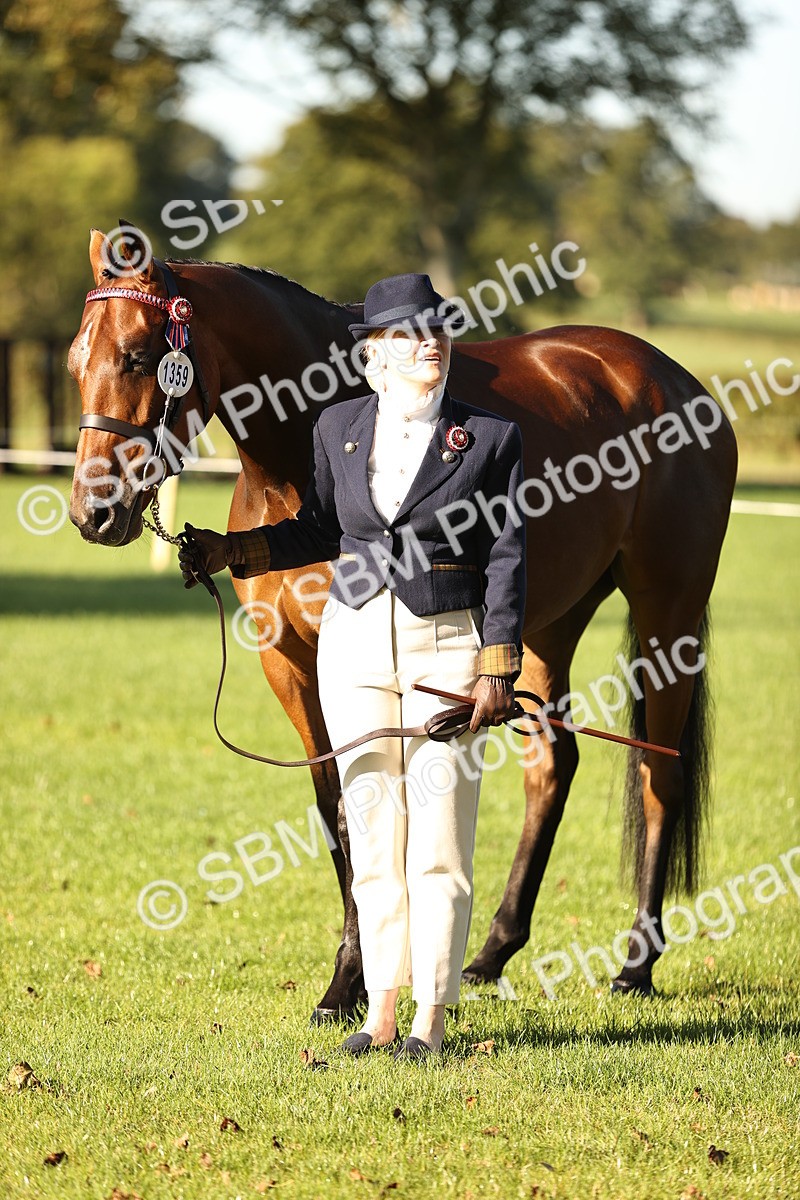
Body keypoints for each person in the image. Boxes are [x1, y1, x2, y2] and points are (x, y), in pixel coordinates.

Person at [179, 273, 526, 1061]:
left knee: (439, 841)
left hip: (447, 647)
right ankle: (380, 1014)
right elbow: (319, 529)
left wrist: (497, 667)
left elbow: (508, 556)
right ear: (376, 352)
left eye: (437, 330)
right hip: (355, 645)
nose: (430, 344)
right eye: (410, 334)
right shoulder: (339, 427)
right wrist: (235, 549)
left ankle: (431, 1019)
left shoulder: (491, 437)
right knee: (372, 835)